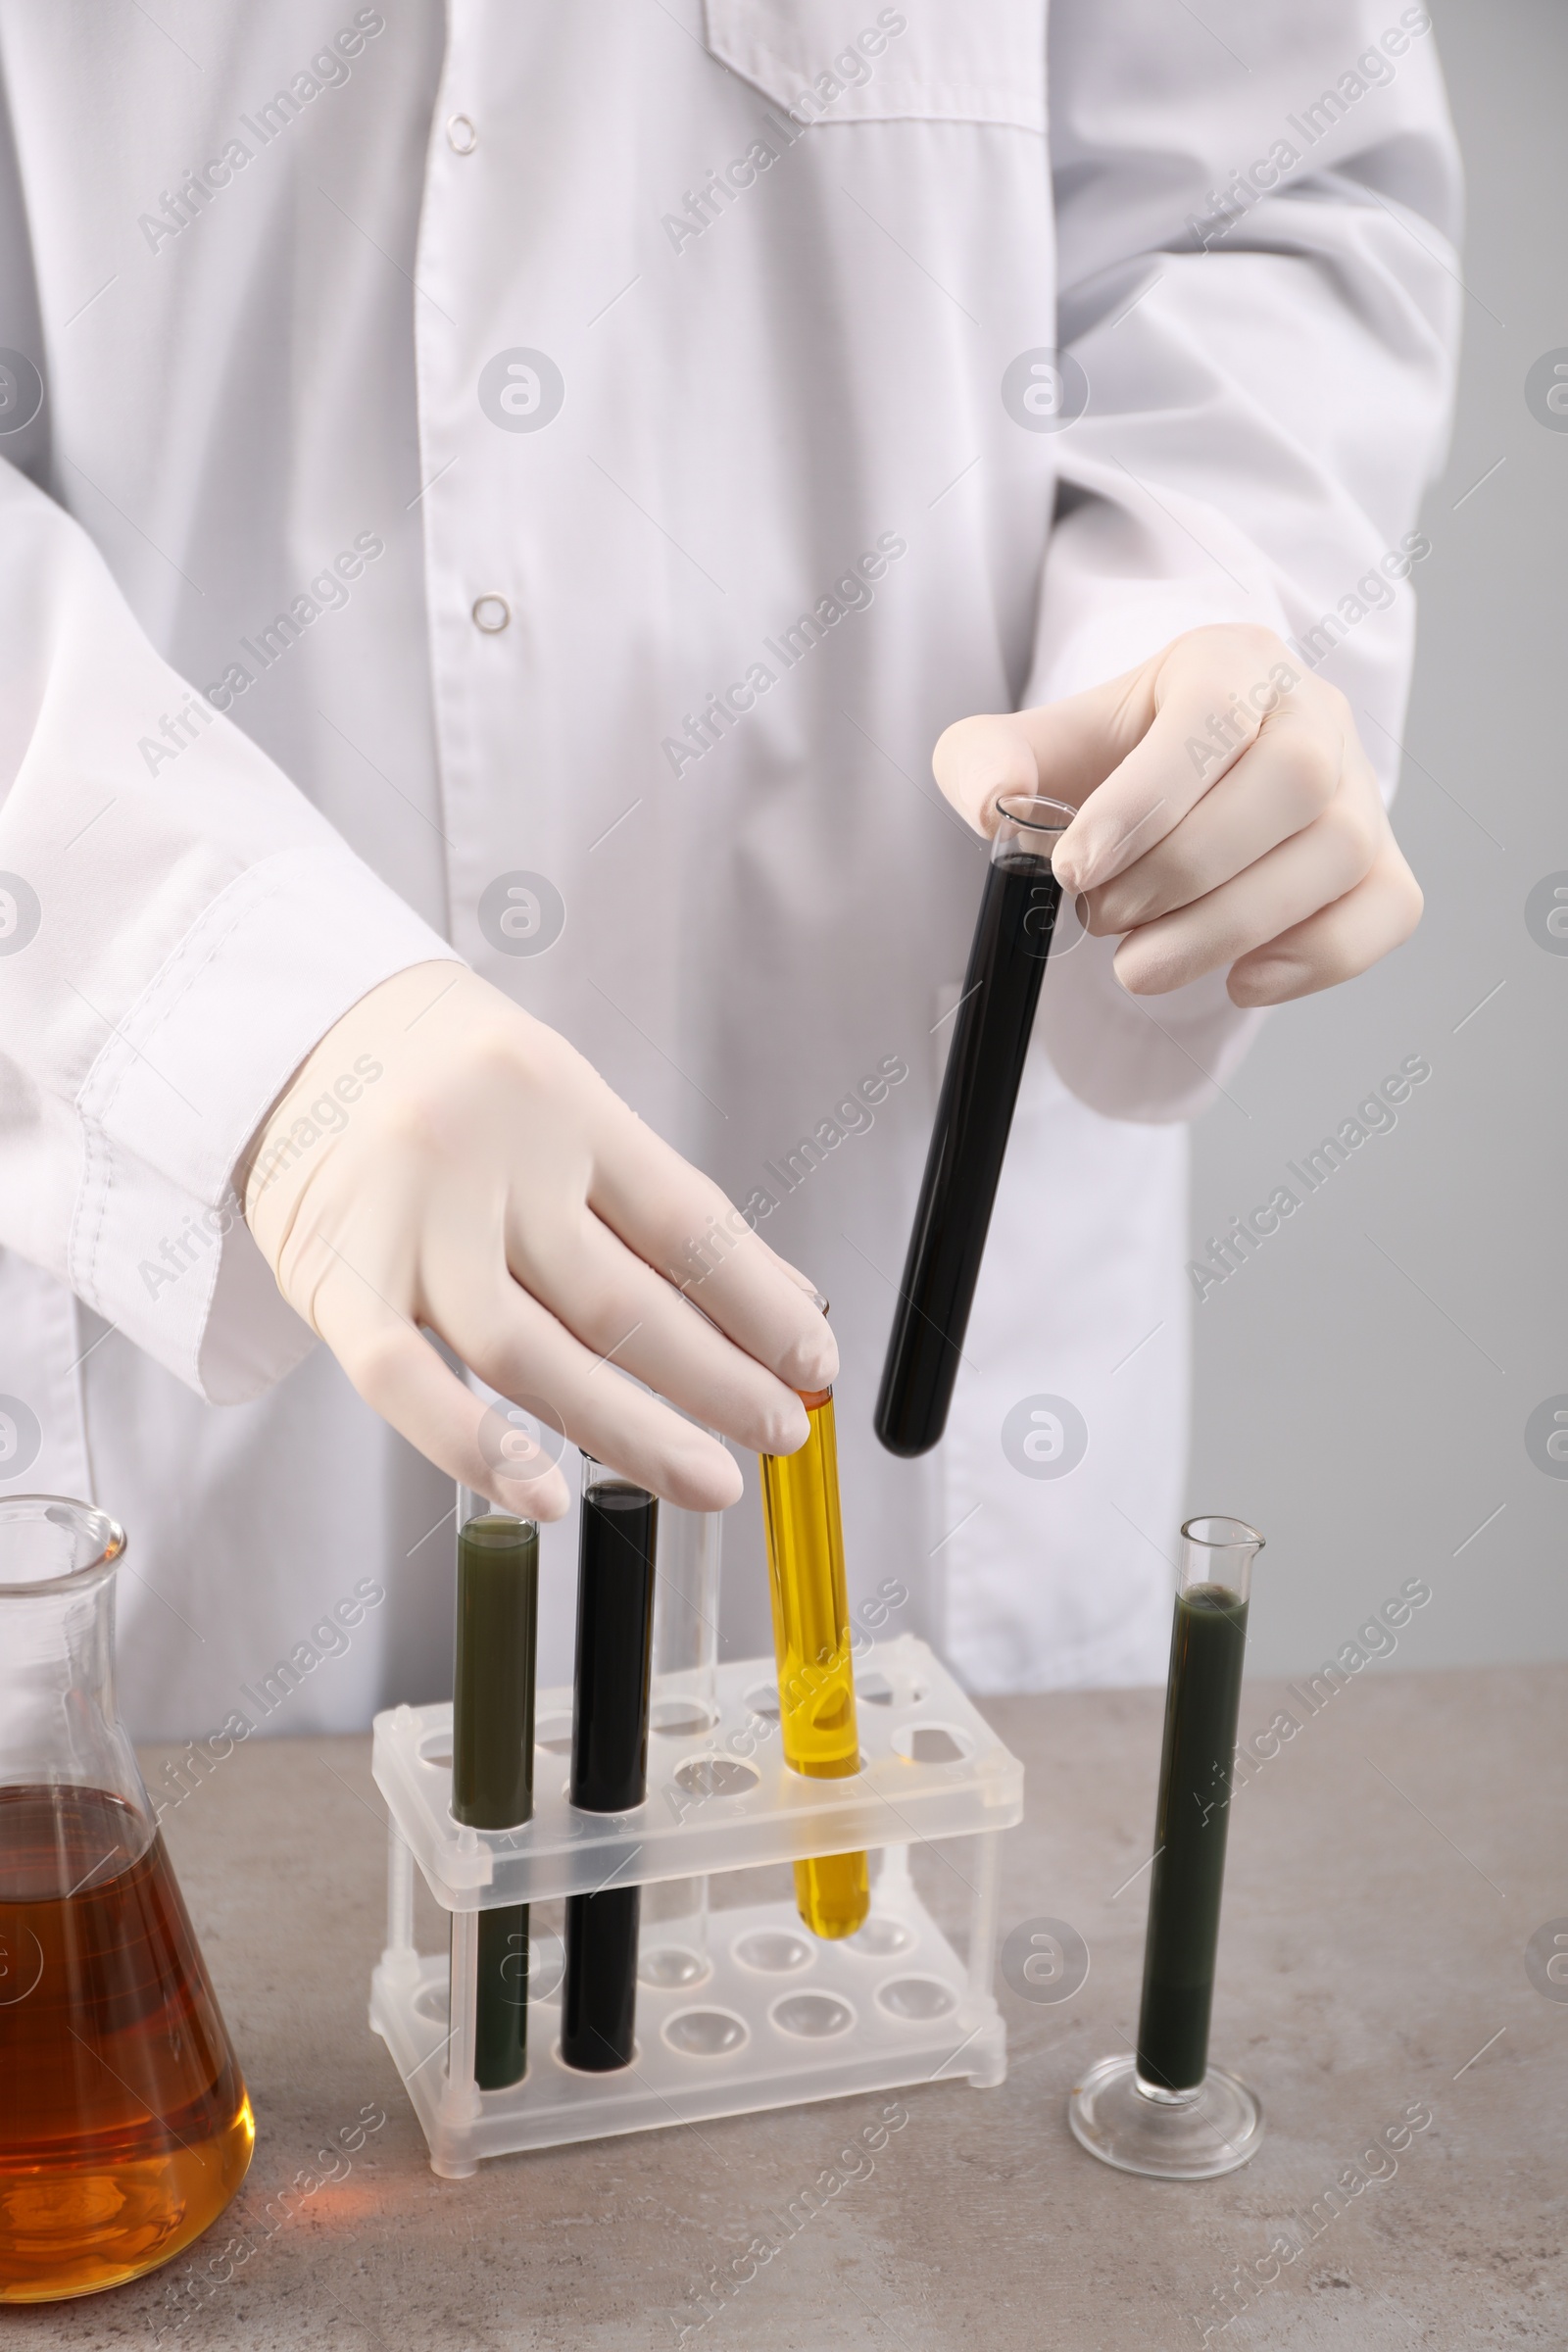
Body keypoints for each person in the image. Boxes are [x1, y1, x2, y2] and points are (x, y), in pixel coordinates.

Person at [0, 2, 1459, 1737]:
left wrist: (1203, 610)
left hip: (902, 1186)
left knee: (933, 1950)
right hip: (191, 1341)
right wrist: (206, 983)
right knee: (250, 1965)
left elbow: (1276, 202)